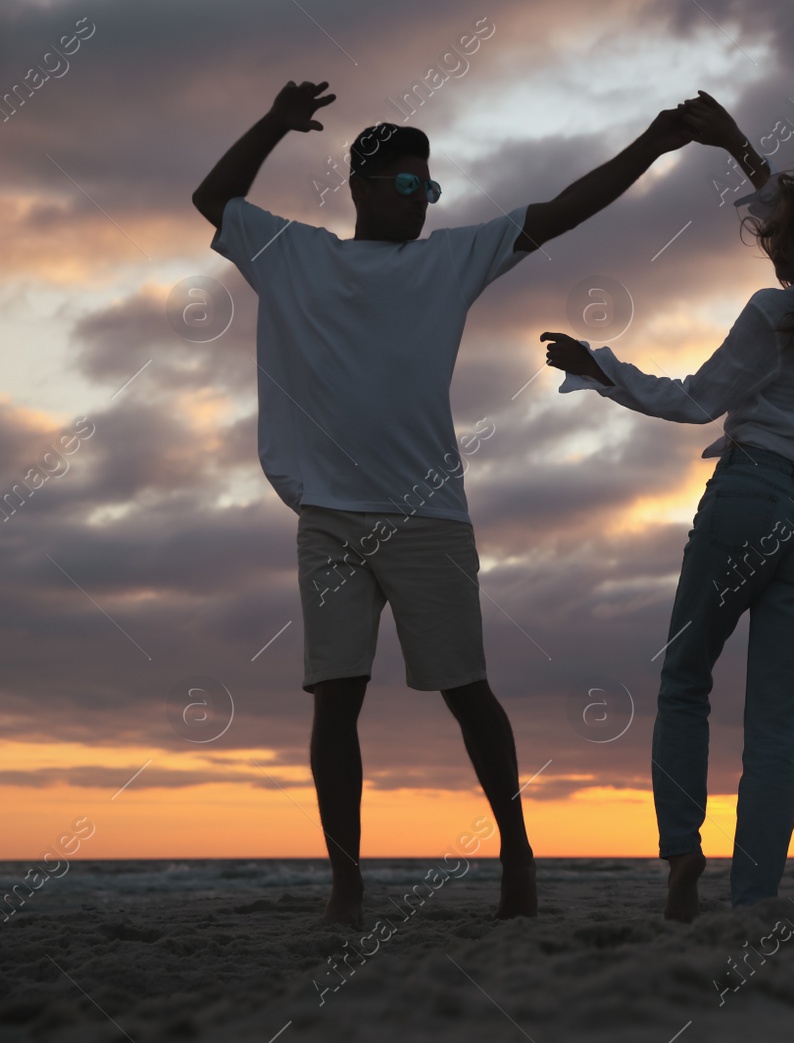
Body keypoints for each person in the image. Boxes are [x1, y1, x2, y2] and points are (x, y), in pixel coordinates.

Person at [193, 80, 695, 925]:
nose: (420, 202)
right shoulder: (294, 253)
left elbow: (562, 208)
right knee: (336, 698)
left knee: (468, 690)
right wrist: (275, 125)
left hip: (429, 515)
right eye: (403, 186)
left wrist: (654, 142)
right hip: (330, 517)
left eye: (429, 188)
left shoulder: (446, 260)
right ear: (357, 187)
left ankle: (516, 851)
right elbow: (213, 199)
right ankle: (347, 881)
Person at [542, 91, 794, 921]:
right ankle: (756, 897)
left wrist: (601, 369)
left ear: (791, 241)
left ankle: (683, 852)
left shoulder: (772, 312)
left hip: (745, 499)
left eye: (774, 235)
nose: (764, 243)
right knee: (776, 729)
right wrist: (738, 149)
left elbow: (695, 401)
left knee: (686, 683)